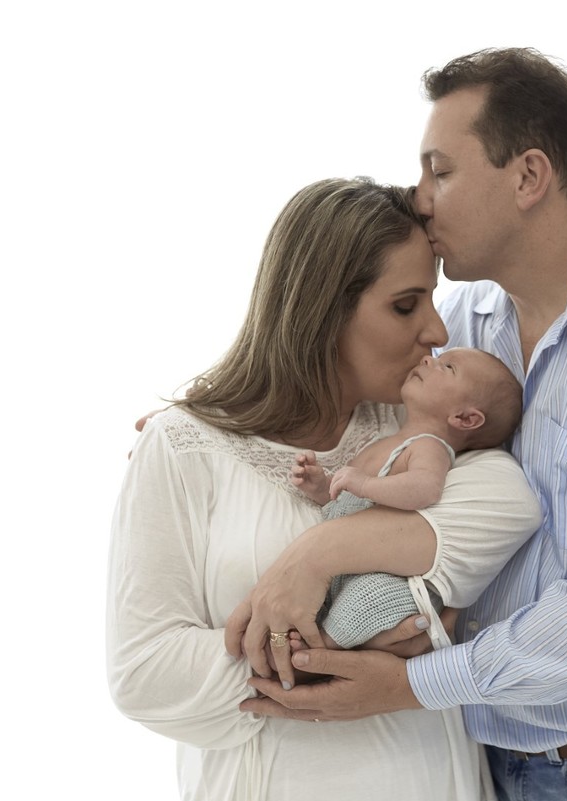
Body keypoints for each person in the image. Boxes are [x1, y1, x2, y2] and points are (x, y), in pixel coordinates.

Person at [232, 48, 567, 801]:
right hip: (480, 760)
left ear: (528, 177)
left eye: (440, 171)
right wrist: (214, 423)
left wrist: (408, 685)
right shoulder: (462, 322)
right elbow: (350, 406)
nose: (418, 199)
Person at [106, 177, 542, 800]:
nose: (438, 332)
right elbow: (144, 673)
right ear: (324, 310)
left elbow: (512, 508)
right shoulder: (183, 446)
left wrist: (320, 556)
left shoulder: (419, 423)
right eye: (405, 305)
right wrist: (347, 663)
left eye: (431, 299)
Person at [290, 346, 522, 650]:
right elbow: (347, 503)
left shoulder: (430, 447)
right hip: (348, 562)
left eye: (447, 367)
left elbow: (425, 489)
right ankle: (309, 633)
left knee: (368, 598)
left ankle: (322, 648)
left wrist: (364, 483)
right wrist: (322, 487)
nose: (428, 359)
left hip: (387, 575)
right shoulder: (389, 440)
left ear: (465, 418)